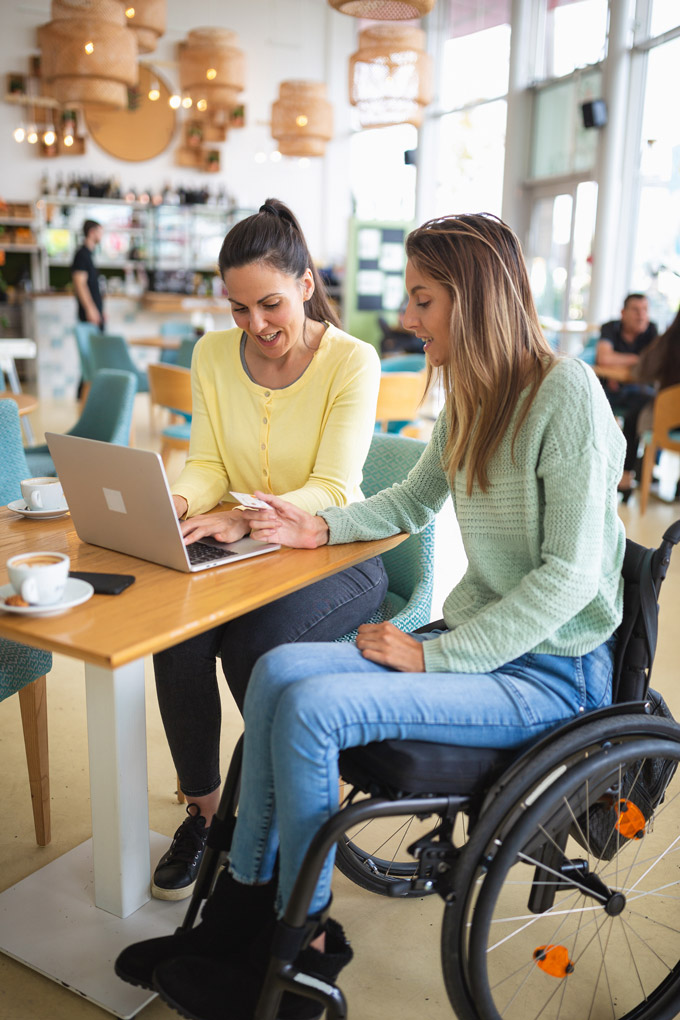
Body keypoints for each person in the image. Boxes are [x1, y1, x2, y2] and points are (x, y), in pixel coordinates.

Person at [116, 213, 626, 1020]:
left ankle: (301, 947)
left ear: (474, 298)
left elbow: (569, 578)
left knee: (312, 709)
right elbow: (412, 499)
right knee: (277, 675)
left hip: (548, 673)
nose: (409, 319)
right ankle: (236, 924)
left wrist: (437, 657)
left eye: (423, 301)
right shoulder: (474, 396)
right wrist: (317, 525)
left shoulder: (566, 396)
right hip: (482, 651)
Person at [149, 199, 388, 901]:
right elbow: (209, 465)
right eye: (238, 309)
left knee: (257, 650)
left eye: (271, 304)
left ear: (307, 286)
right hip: (248, 552)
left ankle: (273, 817)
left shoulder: (351, 360)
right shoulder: (211, 354)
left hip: (335, 556)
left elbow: (334, 489)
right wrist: (182, 501)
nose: (256, 325)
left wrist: (246, 518)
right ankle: (207, 816)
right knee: (178, 638)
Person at [596, 293, 657, 494]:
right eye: (636, 310)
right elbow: (604, 358)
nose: (641, 316)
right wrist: (634, 358)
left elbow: (652, 363)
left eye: (645, 310)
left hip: (636, 392)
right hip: (607, 390)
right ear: (623, 313)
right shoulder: (610, 327)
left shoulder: (651, 330)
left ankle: (627, 472)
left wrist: (620, 360)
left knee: (645, 406)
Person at [71, 219, 104, 329]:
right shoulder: (82, 255)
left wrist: (101, 310)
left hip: (96, 311)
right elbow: (80, 284)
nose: (102, 235)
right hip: (89, 314)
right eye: (100, 232)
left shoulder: (90, 254)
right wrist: (90, 309)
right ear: (91, 232)